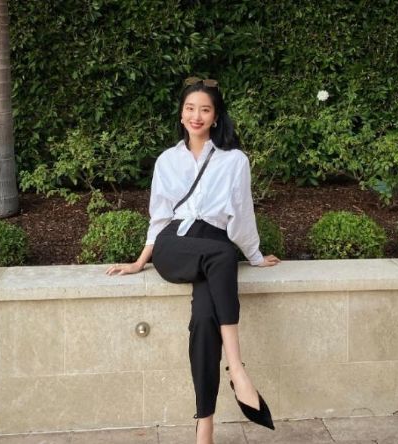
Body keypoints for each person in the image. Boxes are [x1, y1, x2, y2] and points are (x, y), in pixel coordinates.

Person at [106, 77, 281, 444]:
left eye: (204, 109)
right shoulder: (167, 160)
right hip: (174, 245)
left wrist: (254, 255)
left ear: (216, 116)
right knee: (223, 253)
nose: (196, 116)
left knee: (203, 321)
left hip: (213, 245)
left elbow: (242, 214)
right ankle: (238, 369)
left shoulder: (235, 160)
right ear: (181, 114)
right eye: (190, 108)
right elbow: (159, 217)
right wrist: (139, 262)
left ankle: (205, 426)